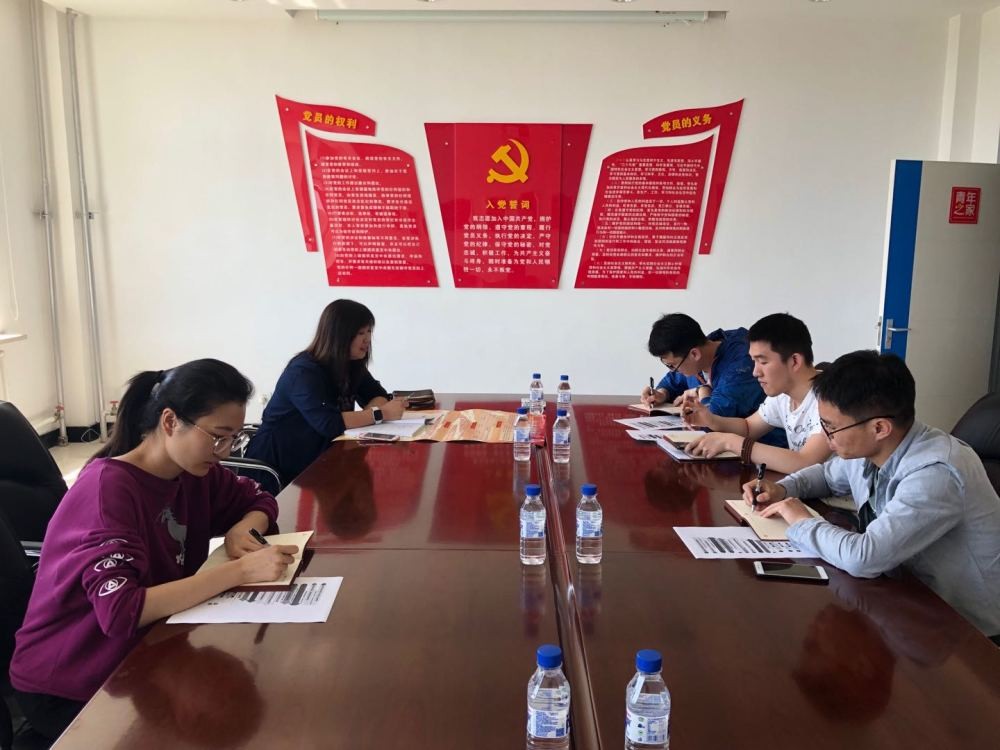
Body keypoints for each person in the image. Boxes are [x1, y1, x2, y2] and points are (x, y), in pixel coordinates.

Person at [9, 359, 298, 740]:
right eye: (218, 437)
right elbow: (120, 611)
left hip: (138, 655)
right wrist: (240, 571)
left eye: (234, 438)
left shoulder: (193, 473)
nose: (224, 451)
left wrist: (242, 528)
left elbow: (259, 498)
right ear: (170, 421)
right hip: (72, 680)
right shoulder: (108, 492)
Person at [744, 350, 1000, 641]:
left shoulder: (936, 471)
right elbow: (826, 476)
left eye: (831, 427)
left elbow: (864, 558)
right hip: (909, 598)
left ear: (879, 427)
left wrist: (801, 520)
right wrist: (783, 488)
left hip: (971, 635)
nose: (825, 437)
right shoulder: (874, 447)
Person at [246, 299, 407, 485]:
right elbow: (329, 423)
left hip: (322, 457)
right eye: (361, 333)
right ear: (339, 336)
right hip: (278, 467)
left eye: (369, 331)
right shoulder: (303, 372)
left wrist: (368, 415)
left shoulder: (351, 363)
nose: (368, 339)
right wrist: (379, 414)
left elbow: (378, 394)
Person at [684, 313, 831, 473]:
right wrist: (711, 420)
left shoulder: (829, 399)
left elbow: (805, 462)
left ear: (794, 361)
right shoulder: (783, 395)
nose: (755, 372)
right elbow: (748, 427)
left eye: (763, 362)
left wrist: (730, 442)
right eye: (754, 361)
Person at [640, 312, 786, 447]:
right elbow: (673, 380)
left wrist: (703, 390)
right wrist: (661, 393)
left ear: (694, 354)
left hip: (767, 449)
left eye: (672, 365)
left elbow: (711, 420)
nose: (673, 370)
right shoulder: (701, 350)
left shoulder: (741, 364)